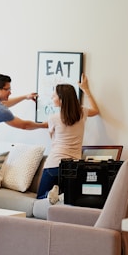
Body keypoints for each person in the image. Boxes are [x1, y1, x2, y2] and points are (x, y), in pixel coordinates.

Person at [36, 73, 100, 203]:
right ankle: (60, 196)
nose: (52, 97)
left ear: (61, 99)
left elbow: (53, 140)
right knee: (69, 200)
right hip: (73, 166)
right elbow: (96, 110)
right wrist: (86, 89)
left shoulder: (53, 118)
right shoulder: (82, 113)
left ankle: (51, 195)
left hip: (54, 163)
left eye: (54, 95)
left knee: (40, 199)